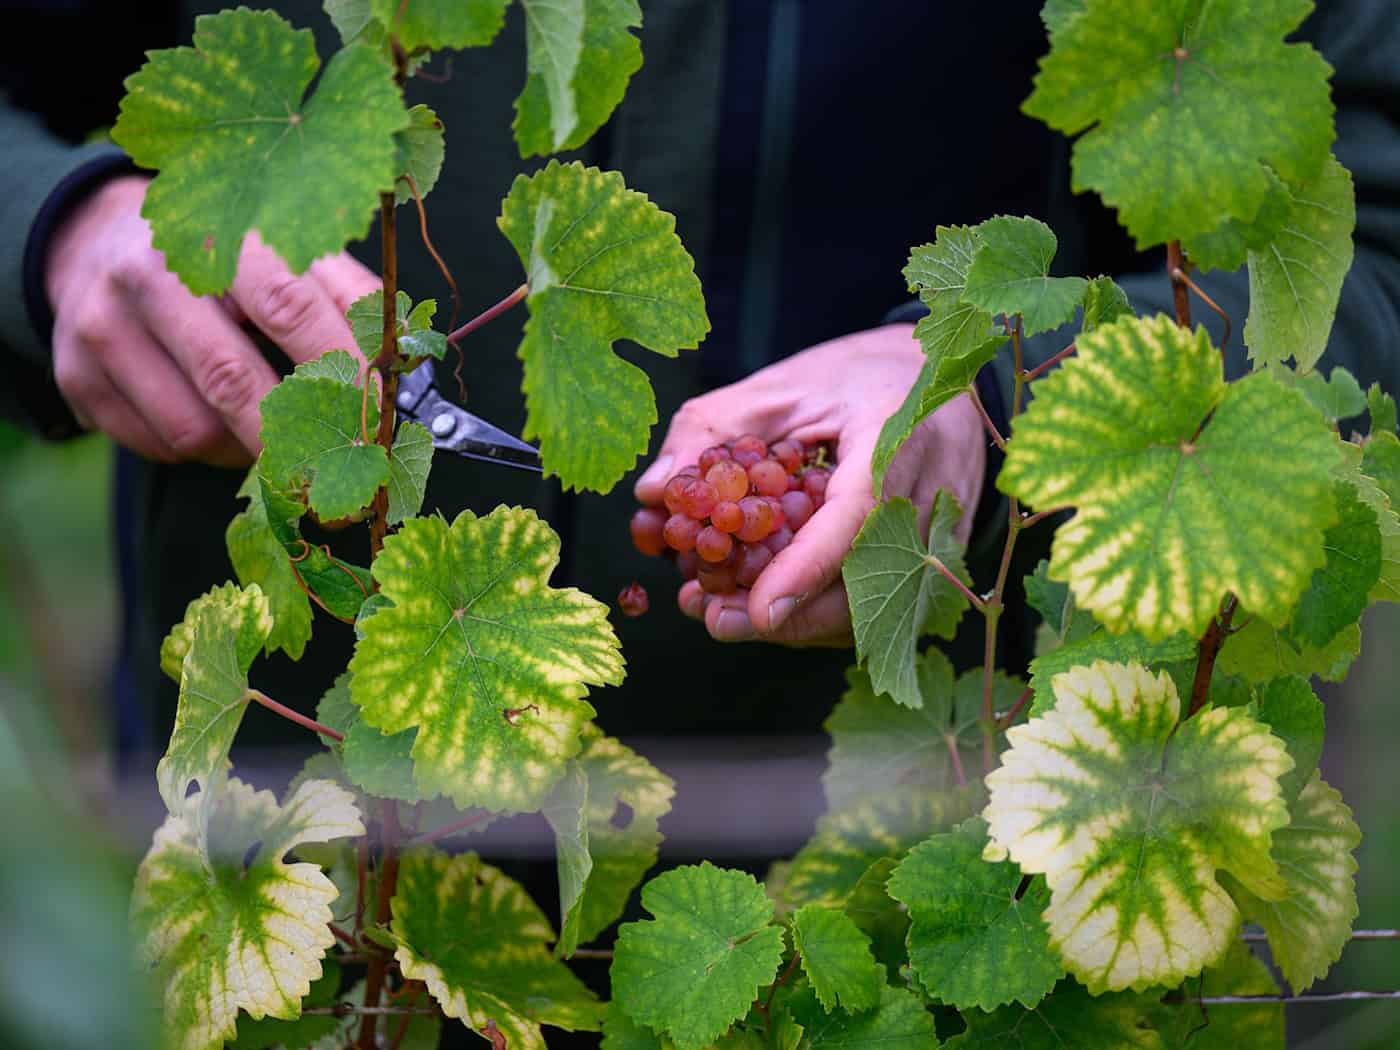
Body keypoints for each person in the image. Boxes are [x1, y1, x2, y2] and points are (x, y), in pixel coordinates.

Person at [3, 0, 1399, 820]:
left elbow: (1373, 246)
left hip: (990, 846)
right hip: (283, 860)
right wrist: (47, 230)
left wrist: (1005, 391)